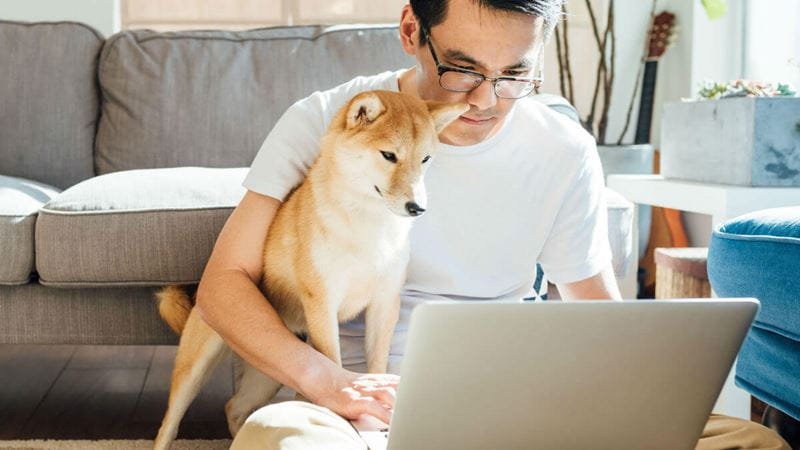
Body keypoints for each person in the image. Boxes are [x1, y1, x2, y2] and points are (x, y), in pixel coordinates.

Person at [194, 0, 791, 448]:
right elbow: (224, 284)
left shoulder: (563, 149)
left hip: (517, 392)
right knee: (281, 440)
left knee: (754, 444)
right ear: (410, 31)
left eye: (514, 74)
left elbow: (594, 305)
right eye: (462, 69)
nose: (485, 99)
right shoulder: (328, 119)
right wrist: (326, 381)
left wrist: (645, 400)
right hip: (358, 402)